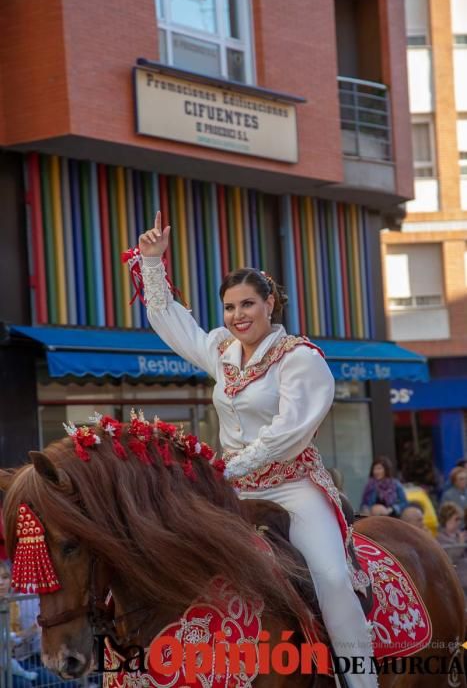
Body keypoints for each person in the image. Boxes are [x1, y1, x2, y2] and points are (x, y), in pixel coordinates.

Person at [135, 212, 377, 688]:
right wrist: (151, 263)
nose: (237, 315)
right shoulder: (222, 352)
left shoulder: (300, 358)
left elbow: (289, 432)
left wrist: (226, 468)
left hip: (292, 488)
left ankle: (361, 681)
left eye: (248, 304)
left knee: (329, 578)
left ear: (271, 304)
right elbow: (173, 324)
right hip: (231, 494)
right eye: (229, 307)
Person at [436, 502, 467, 597]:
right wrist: (461, 544)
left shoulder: (459, 534)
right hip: (457, 582)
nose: (458, 523)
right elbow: (450, 558)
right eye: (455, 519)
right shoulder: (440, 538)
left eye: (459, 519)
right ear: (446, 519)